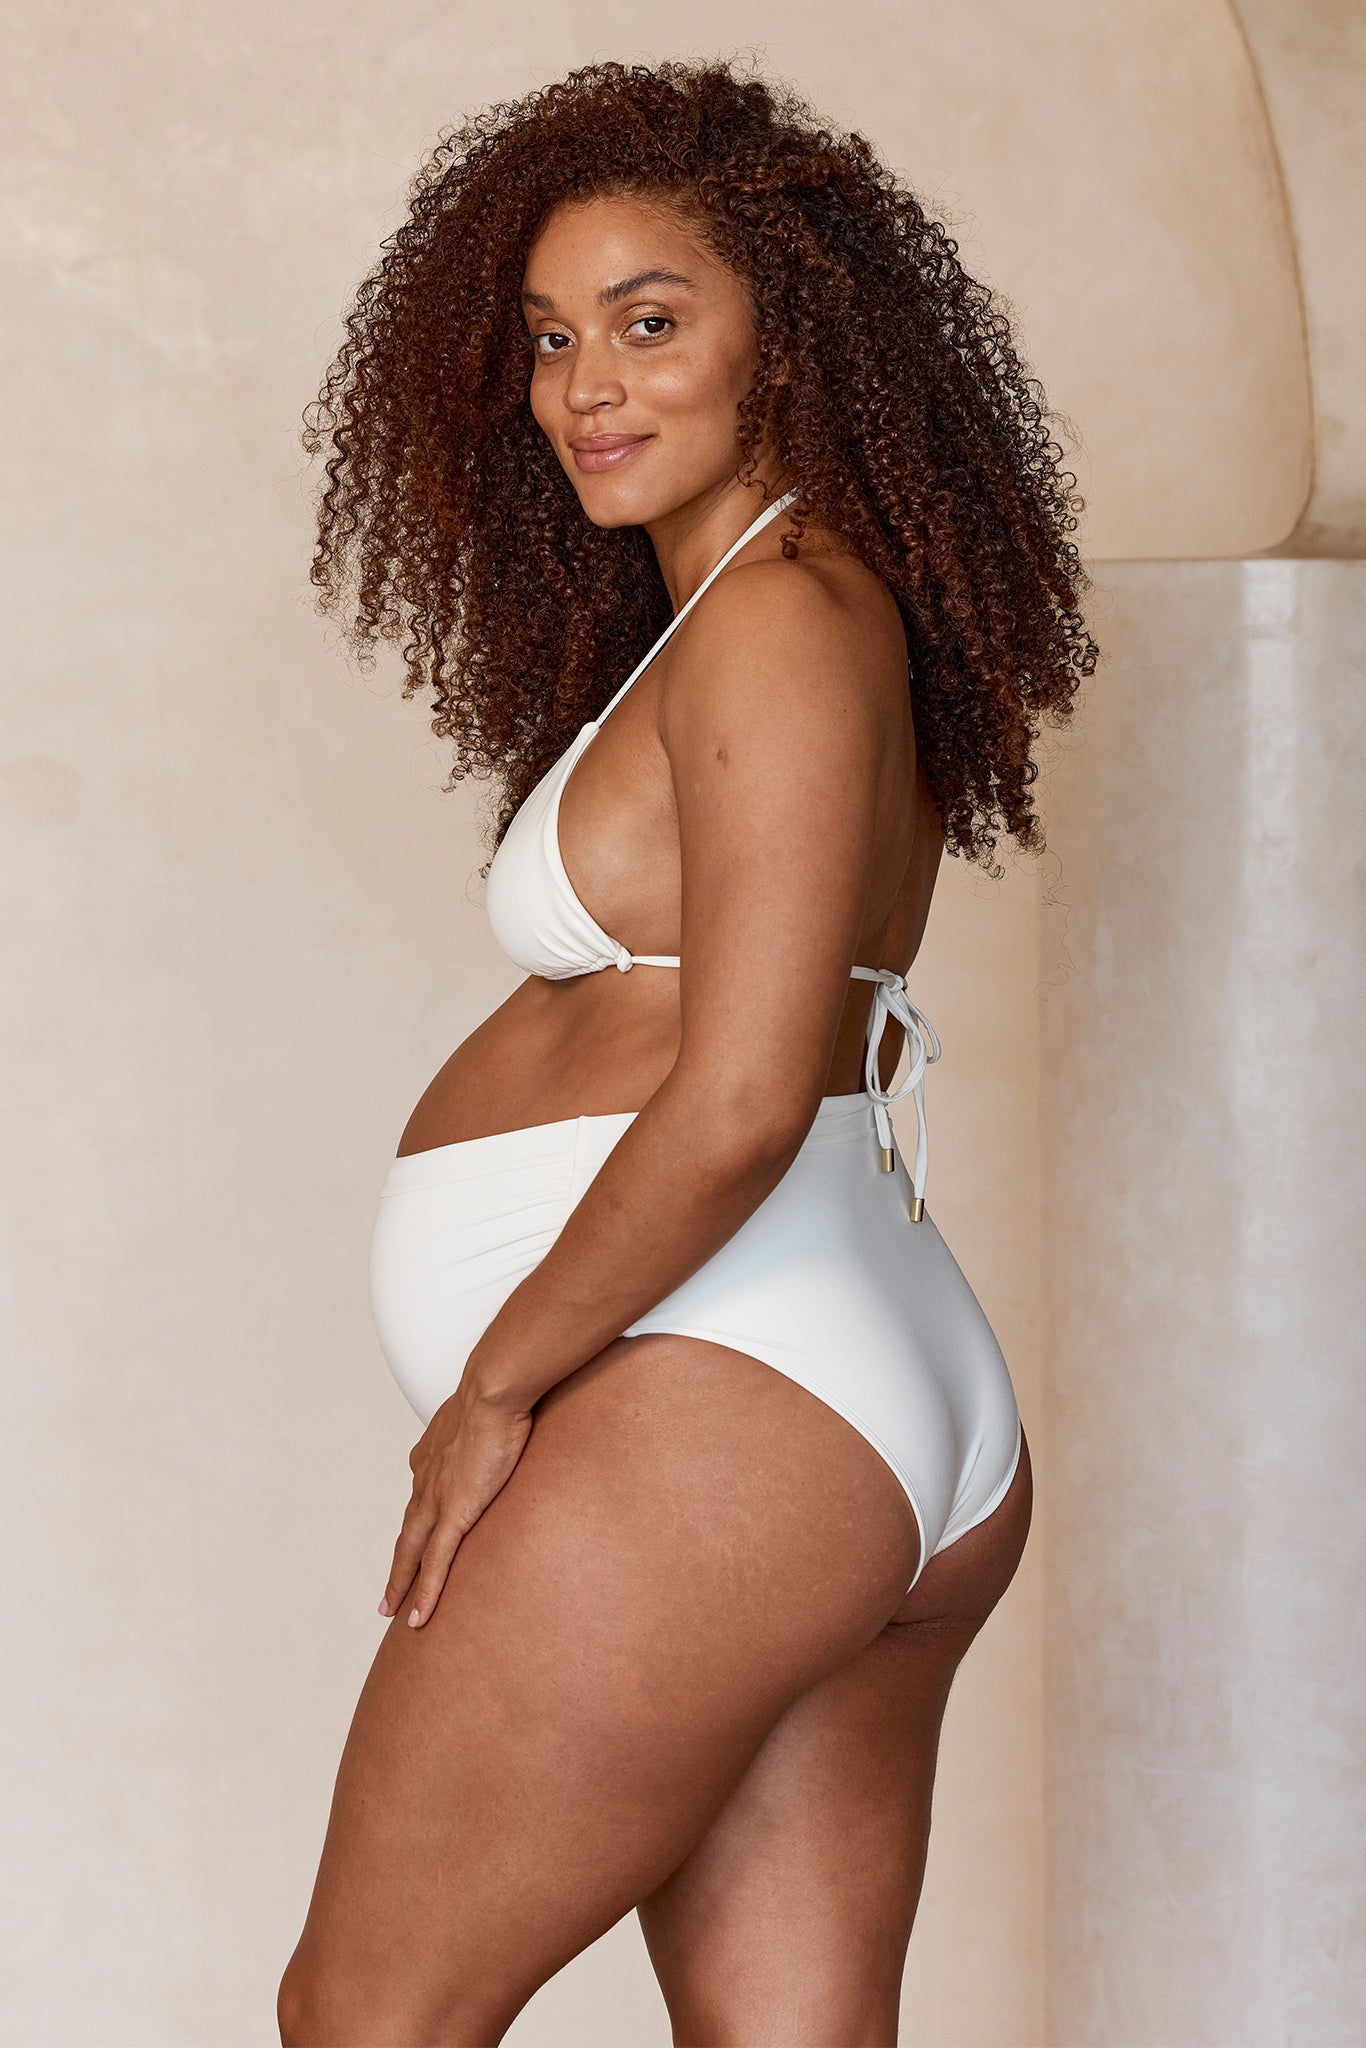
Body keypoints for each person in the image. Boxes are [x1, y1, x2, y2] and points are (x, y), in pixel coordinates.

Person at [279, 55, 1095, 2048]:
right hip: (813, 1393)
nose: (586, 387)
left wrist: (491, 1391)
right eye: (553, 339)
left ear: (787, 343)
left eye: (652, 323)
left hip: (735, 1393)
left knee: (364, 2018)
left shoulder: (782, 615)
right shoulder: (764, 605)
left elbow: (733, 1098)